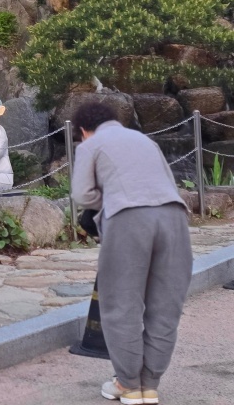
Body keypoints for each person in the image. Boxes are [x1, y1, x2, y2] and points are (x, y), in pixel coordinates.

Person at [71, 101, 192, 405]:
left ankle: (127, 384)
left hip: (128, 219)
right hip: (174, 218)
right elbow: (166, 182)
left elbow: (82, 194)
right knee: (165, 307)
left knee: (121, 304)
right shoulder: (145, 140)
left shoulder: (91, 145)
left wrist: (111, 197)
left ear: (84, 130)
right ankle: (149, 385)